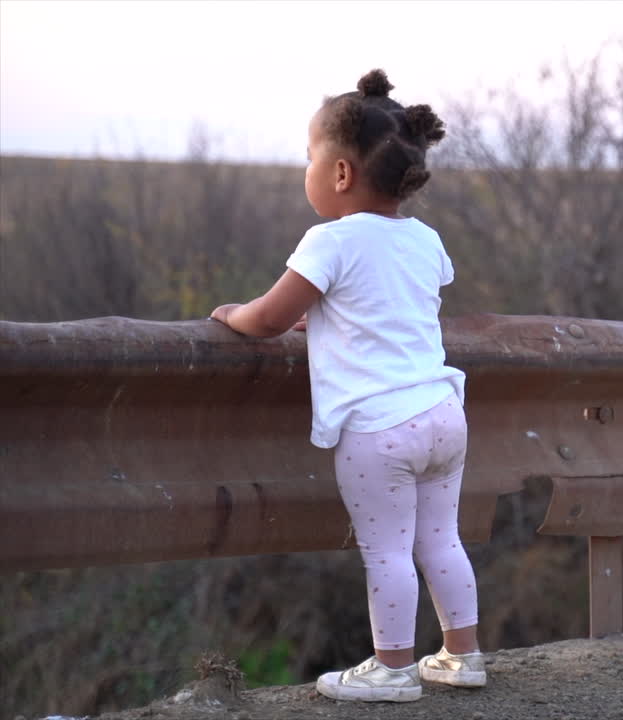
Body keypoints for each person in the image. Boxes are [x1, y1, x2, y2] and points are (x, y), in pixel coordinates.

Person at [210, 68, 483, 703]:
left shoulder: (328, 240)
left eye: (310, 157)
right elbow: (383, 305)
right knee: (441, 539)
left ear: (340, 174)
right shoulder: (424, 239)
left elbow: (270, 318)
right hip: (444, 411)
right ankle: (462, 656)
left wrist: (231, 315)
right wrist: (331, 318)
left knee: (385, 551)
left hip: (379, 428)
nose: (305, 169)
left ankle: (391, 668)